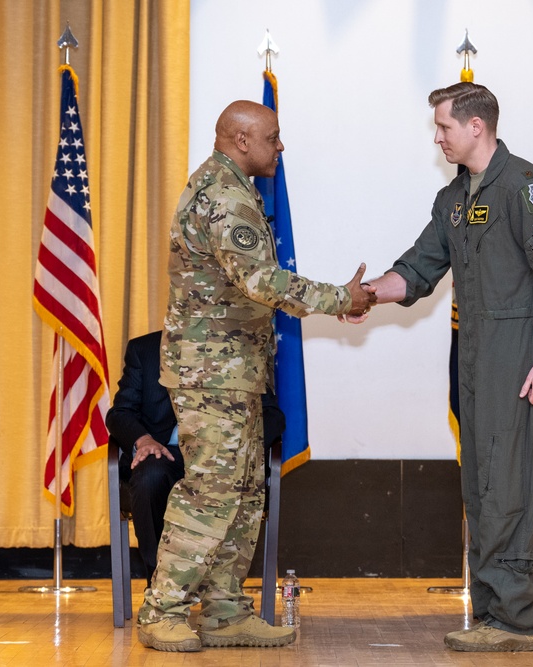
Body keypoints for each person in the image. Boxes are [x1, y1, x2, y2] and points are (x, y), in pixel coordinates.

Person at [361, 82, 533, 652]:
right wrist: (362, 294)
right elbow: (416, 270)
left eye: (442, 127)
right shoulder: (455, 199)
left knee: (510, 483)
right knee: (483, 483)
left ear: (476, 127)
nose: (437, 137)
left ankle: (517, 620)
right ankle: (492, 613)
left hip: (518, 356)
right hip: (472, 356)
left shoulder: (524, 188)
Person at [136, 100, 375, 653]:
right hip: (211, 373)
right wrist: (341, 297)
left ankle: (222, 612)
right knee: (211, 492)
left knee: (243, 493)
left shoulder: (232, 187)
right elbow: (262, 281)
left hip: (234, 371)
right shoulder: (223, 195)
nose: (280, 146)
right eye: (273, 137)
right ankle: (161, 608)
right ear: (241, 140)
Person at [105, 330, 287, 588]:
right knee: (150, 476)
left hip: (222, 455)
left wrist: (237, 446)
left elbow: (271, 415)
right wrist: (143, 440)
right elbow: (120, 413)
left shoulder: (240, 345)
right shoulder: (145, 348)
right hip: (165, 452)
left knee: (234, 479)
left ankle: (221, 592)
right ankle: (161, 586)